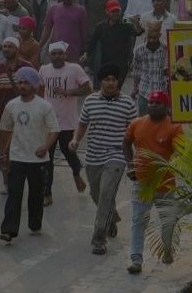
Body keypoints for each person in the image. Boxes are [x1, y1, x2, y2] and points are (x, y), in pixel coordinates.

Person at [70, 63, 137, 255]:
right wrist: (75, 140)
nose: (111, 83)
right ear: (101, 82)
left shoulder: (127, 104)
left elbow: (134, 132)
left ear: (118, 82)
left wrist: (136, 158)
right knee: (97, 195)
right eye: (107, 79)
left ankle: (99, 239)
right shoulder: (90, 101)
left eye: (114, 79)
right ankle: (111, 217)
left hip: (116, 156)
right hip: (93, 156)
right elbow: (82, 125)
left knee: (106, 194)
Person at [0, 67, 59, 243]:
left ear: (34, 84)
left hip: (38, 159)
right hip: (17, 157)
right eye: (20, 82)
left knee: (35, 194)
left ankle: (35, 224)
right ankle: (8, 230)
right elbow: (6, 130)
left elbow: (54, 131)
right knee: (14, 194)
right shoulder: (12, 105)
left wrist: (46, 147)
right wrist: (2, 154)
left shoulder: (44, 106)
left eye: (26, 82)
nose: (22, 85)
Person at [123, 90, 183, 274]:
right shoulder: (137, 123)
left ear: (166, 107)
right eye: (150, 102)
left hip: (166, 185)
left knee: (167, 221)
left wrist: (170, 165)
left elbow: (180, 151)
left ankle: (166, 250)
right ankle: (136, 259)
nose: (152, 106)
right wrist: (130, 165)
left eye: (157, 103)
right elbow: (126, 142)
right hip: (142, 183)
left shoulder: (175, 127)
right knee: (138, 221)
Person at [38, 42, 91, 202]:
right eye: (53, 53)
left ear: (65, 55)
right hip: (49, 123)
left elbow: (88, 88)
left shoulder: (74, 69)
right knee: (47, 158)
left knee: (70, 155)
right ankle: (47, 193)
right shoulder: (44, 70)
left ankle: (76, 174)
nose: (57, 56)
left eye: (60, 53)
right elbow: (41, 89)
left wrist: (67, 92)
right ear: (49, 55)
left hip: (68, 123)